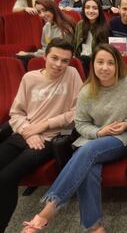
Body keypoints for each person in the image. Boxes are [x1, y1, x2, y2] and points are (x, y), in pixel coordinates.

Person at [22, 44, 127, 233]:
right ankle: (93, 226)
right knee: (89, 168)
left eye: (110, 63)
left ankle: (45, 214)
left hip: (120, 139)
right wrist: (97, 133)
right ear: (92, 64)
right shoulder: (87, 91)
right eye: (100, 62)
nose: (105, 67)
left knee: (87, 151)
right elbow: (80, 124)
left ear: (118, 65)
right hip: (93, 139)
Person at [0, 38, 82, 233]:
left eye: (65, 60)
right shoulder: (29, 78)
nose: (59, 64)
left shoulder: (71, 74)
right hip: (24, 134)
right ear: (44, 56)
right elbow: (16, 113)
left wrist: (44, 125)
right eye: (54, 58)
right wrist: (28, 132)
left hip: (50, 139)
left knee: (6, 178)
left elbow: (78, 112)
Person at [73, 0, 110, 74]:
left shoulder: (105, 28)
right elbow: (75, 45)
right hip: (80, 61)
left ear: (99, 10)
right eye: (87, 8)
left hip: (95, 63)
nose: (91, 11)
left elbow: (105, 53)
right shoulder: (80, 24)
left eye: (95, 8)